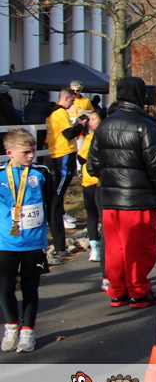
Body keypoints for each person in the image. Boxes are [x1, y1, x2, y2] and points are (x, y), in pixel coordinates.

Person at [87, 76, 156, 308]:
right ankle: (138, 291)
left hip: (110, 196)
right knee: (139, 247)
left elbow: (92, 165)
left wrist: (109, 177)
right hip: (138, 197)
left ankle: (118, 290)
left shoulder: (105, 125)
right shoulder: (145, 125)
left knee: (114, 247)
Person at [0, 128, 54, 353]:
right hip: (5, 243)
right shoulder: (1, 175)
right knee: (4, 288)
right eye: (26, 152)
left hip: (34, 242)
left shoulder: (40, 172)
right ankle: (12, 326)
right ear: (9, 152)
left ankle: (28, 330)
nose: (31, 155)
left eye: (33, 150)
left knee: (30, 288)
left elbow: (52, 205)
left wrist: (55, 238)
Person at [44, 89, 86, 262]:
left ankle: (60, 212)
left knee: (62, 184)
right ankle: (58, 213)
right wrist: (80, 126)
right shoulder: (60, 112)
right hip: (63, 151)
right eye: (72, 101)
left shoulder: (55, 112)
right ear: (66, 98)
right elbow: (68, 133)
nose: (73, 104)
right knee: (60, 186)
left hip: (60, 151)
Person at [76, 111, 105, 270]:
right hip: (101, 180)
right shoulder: (108, 136)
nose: (90, 122)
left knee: (93, 215)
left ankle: (95, 248)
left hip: (91, 180)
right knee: (101, 215)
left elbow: (81, 159)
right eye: (89, 119)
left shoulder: (90, 138)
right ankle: (103, 247)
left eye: (94, 119)